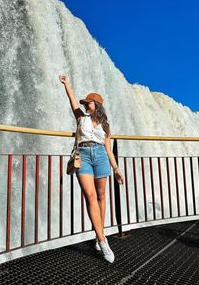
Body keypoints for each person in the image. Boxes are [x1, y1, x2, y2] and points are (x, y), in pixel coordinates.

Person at [59, 75, 124, 263]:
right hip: (83, 156)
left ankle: (98, 235)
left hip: (101, 157)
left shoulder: (105, 125)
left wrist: (117, 168)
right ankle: (103, 242)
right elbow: (72, 101)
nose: (86, 104)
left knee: (102, 196)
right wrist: (66, 84)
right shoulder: (81, 117)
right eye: (86, 102)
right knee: (91, 196)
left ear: (97, 104)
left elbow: (108, 150)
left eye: (89, 102)